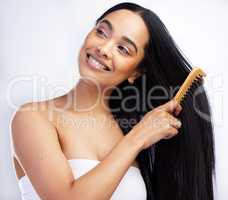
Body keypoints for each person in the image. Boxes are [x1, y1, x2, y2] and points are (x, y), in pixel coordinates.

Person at [11, 2, 215, 200]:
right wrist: (137, 138)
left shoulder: (132, 130)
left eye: (123, 49)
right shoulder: (33, 118)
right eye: (101, 32)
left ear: (136, 72)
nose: (104, 49)